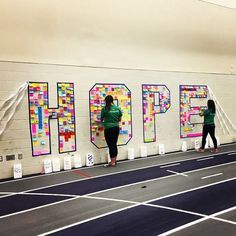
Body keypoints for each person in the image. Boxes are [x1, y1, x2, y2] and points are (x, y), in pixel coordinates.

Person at [101, 95, 122, 167]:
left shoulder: (105, 109)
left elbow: (101, 119)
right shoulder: (117, 108)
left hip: (108, 129)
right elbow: (119, 119)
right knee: (114, 144)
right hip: (116, 128)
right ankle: (114, 161)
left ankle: (112, 162)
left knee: (110, 145)